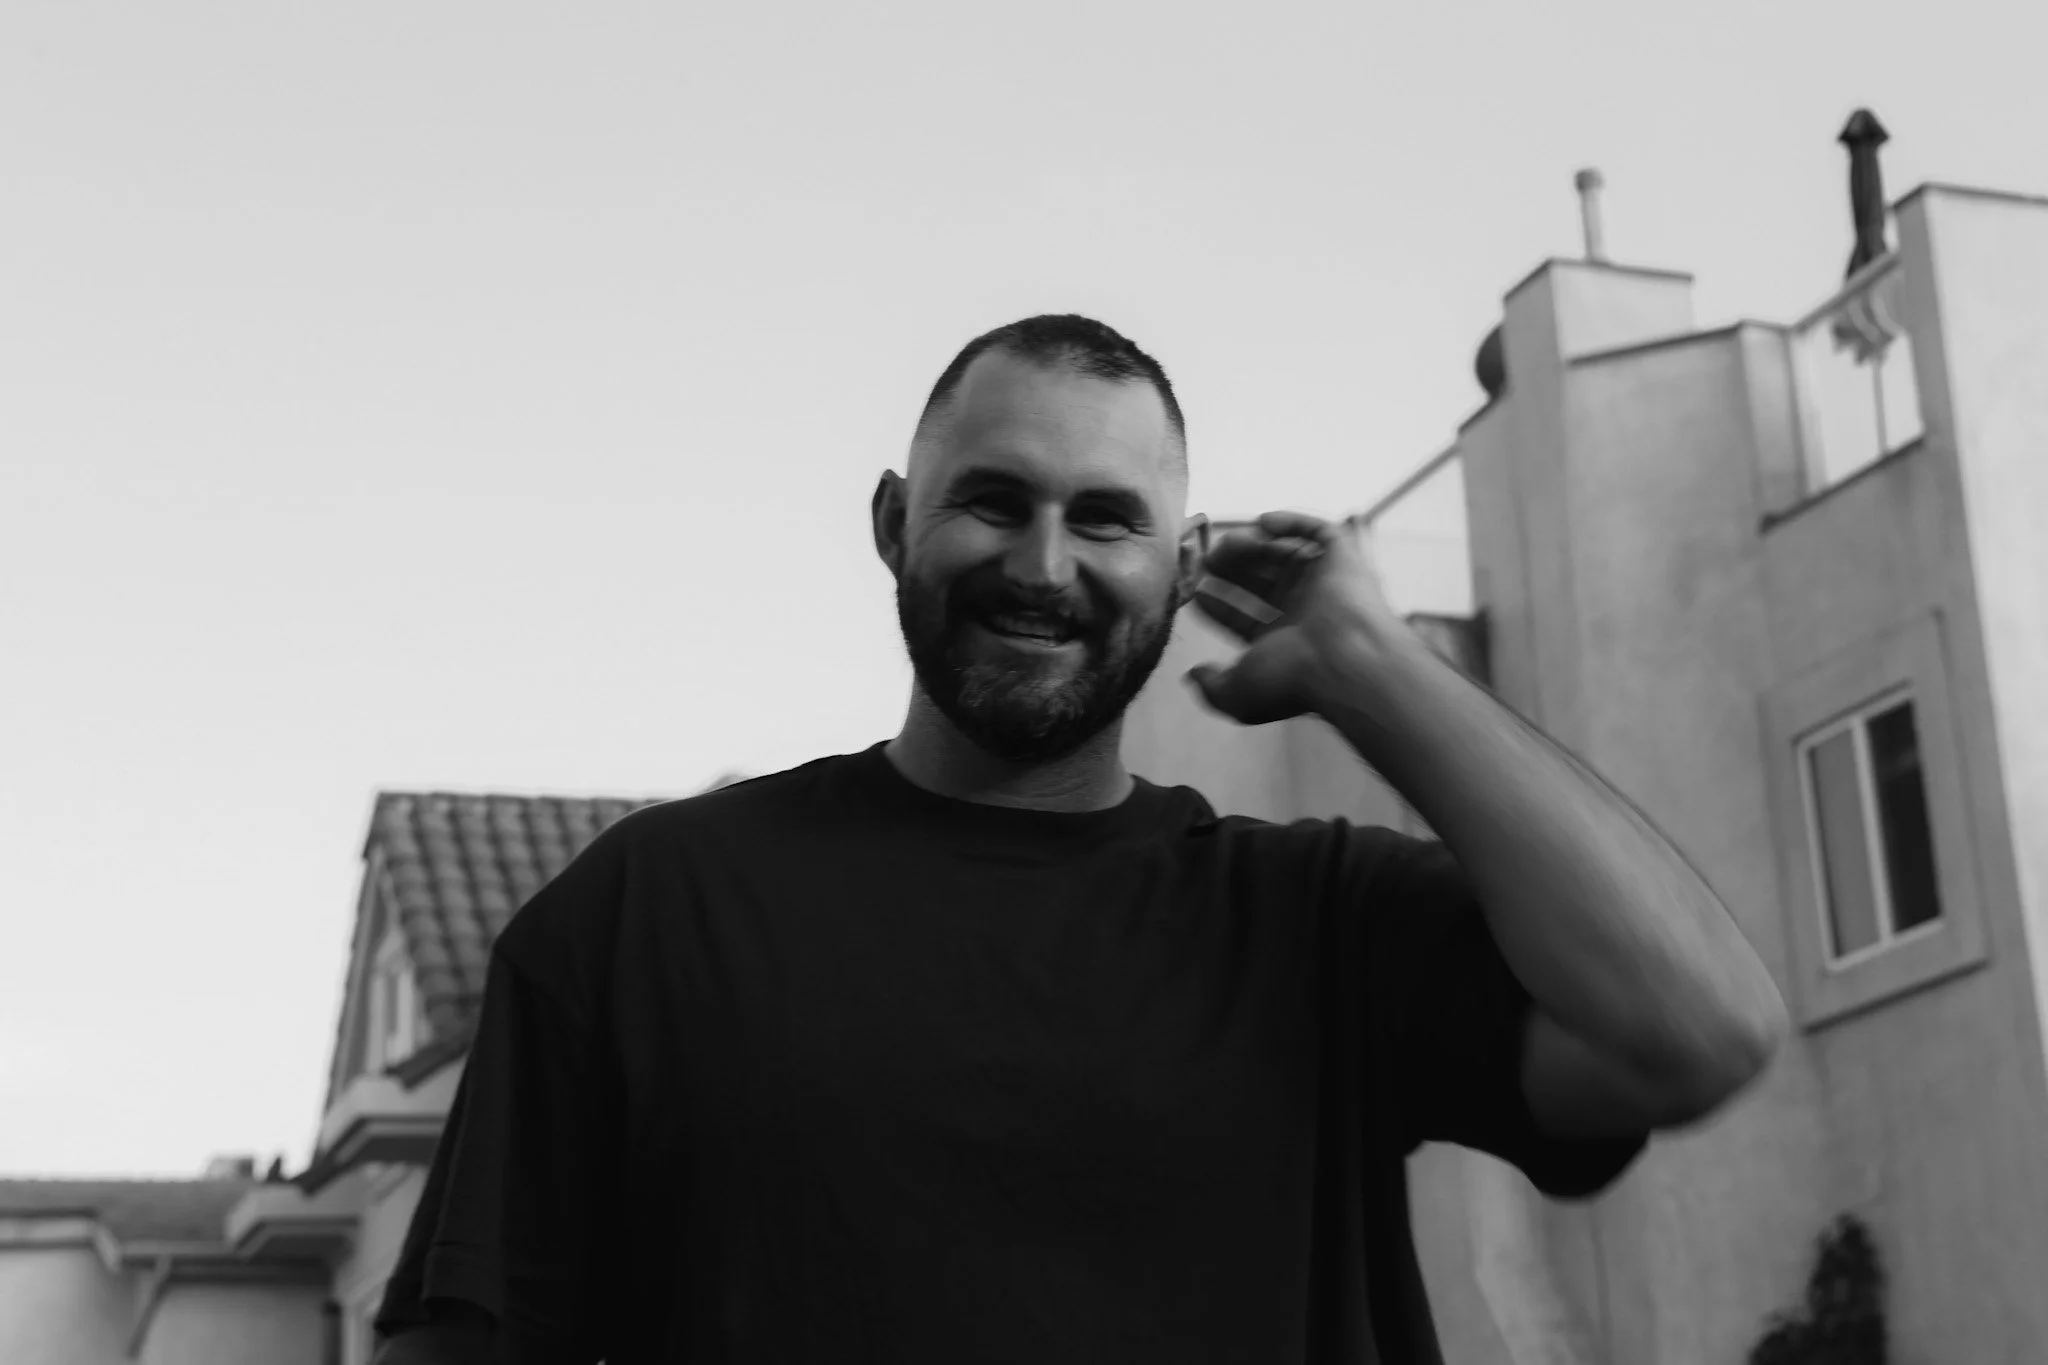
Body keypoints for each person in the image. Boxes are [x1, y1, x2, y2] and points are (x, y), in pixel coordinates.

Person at [372, 314, 1787, 1364]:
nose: (1044, 567)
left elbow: (1702, 1034)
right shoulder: (648, 912)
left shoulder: (1316, 926)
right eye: (995, 500)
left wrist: (1381, 671)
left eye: (1105, 520)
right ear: (892, 524)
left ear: (1180, 573)